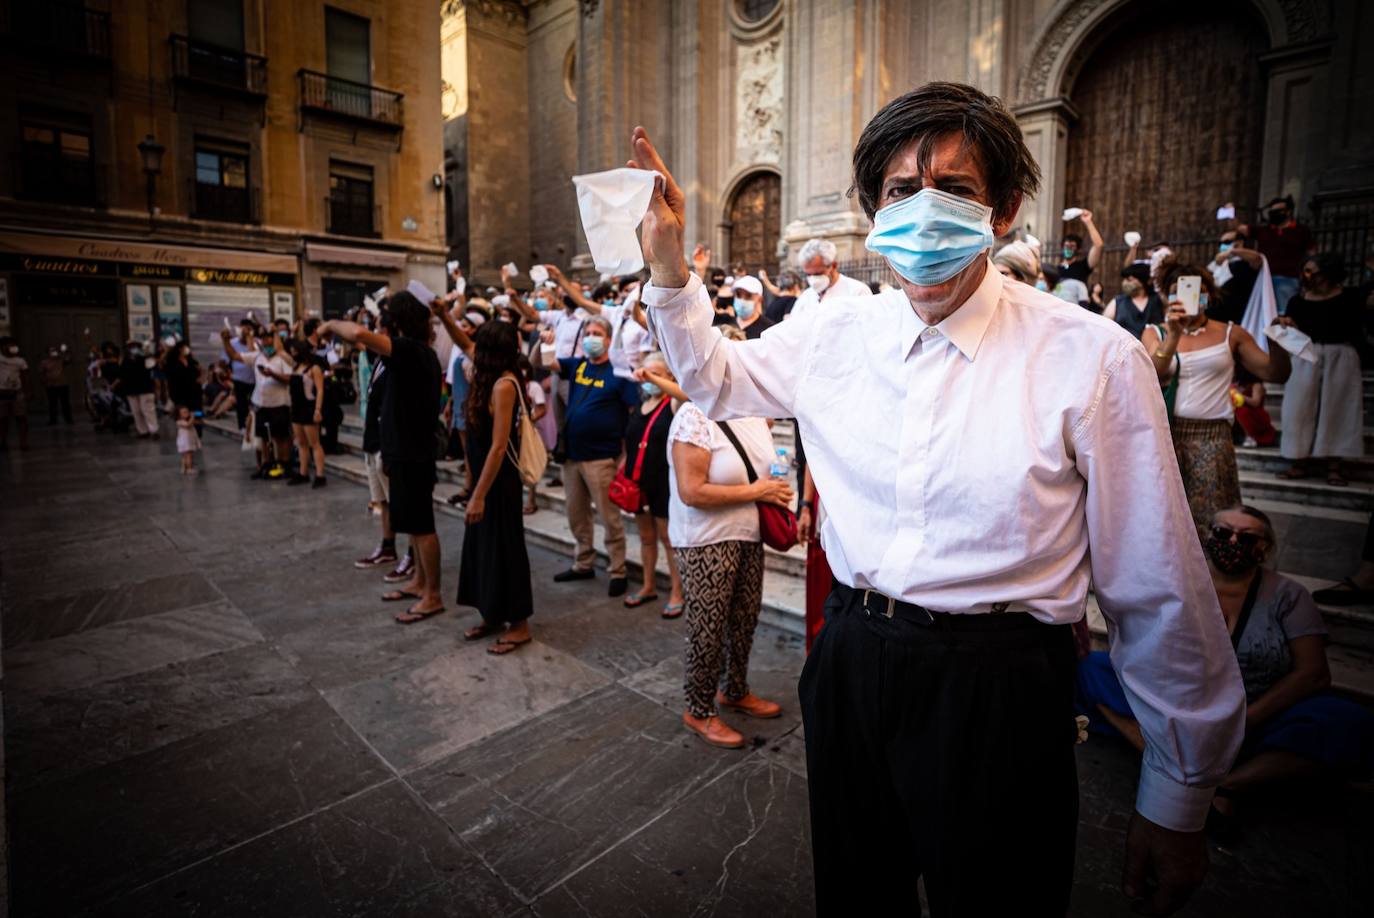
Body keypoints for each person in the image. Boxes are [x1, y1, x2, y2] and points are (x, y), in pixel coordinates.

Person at [631, 80, 1249, 917]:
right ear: (873, 210)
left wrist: (1177, 796)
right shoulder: (834, 333)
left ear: (1004, 211)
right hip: (851, 661)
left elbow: (1157, 583)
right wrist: (669, 268)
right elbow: (716, 376)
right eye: (898, 191)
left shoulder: (1092, 360)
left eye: (953, 189)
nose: (923, 211)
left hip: (999, 690)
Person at [1077, 505, 1374, 838]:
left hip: (1256, 715)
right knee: (1093, 670)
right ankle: (1170, 765)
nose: (1232, 541)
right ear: (1207, 537)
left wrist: (1243, 721)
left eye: (1246, 537)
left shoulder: (1288, 596)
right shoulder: (1177, 582)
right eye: (1223, 533)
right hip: (1176, 708)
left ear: (1264, 548)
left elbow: (1313, 674)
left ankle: (1227, 785)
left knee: (1345, 721)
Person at [668, 369, 793, 748]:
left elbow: (766, 468)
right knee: (708, 628)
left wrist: (775, 485)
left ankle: (734, 689)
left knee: (743, 619)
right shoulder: (694, 417)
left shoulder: (754, 416)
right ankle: (699, 709)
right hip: (706, 540)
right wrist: (758, 490)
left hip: (747, 534)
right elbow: (692, 491)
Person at [321, 294, 444, 623]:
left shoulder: (413, 351)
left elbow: (359, 336)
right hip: (400, 451)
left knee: (423, 525)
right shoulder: (407, 355)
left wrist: (330, 324)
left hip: (413, 453)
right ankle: (419, 582)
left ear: (398, 323)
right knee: (414, 526)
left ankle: (433, 594)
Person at [1142, 262, 1291, 530]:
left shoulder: (1231, 333)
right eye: (1177, 291)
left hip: (1213, 438)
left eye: (1194, 290)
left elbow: (1274, 373)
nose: (1185, 297)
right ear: (1167, 297)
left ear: (1207, 295)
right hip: (1166, 436)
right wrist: (1173, 336)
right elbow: (1150, 375)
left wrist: (1278, 345)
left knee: (1211, 518)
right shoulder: (1156, 332)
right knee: (1163, 518)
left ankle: (1211, 572)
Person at [430, 306, 536, 654]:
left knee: (505, 549)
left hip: (499, 483)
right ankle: (492, 613)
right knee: (484, 550)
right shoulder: (485, 367)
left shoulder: (504, 383)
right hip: (485, 480)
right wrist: (444, 316)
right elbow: (463, 342)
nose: (471, 342)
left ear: (489, 348)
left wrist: (477, 494)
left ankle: (518, 625)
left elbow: (498, 447)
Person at [542, 316, 641, 596]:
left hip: (602, 458)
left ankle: (618, 569)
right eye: (588, 333)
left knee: (609, 518)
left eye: (597, 333)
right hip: (572, 456)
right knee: (576, 514)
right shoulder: (578, 365)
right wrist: (546, 344)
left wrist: (626, 456)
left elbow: (634, 415)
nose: (591, 338)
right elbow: (547, 363)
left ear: (609, 340)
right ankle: (583, 561)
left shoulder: (619, 372)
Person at [1275, 252, 1368, 487]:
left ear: (1326, 273)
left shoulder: (1350, 297)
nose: (1305, 276)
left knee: (1337, 409)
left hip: (1340, 355)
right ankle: (1298, 459)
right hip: (1307, 354)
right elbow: (1295, 329)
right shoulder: (1298, 301)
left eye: (1310, 271)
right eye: (1304, 270)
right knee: (1298, 408)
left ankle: (1334, 464)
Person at [620, 352, 686, 616]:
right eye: (645, 373)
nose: (648, 380)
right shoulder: (641, 404)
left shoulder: (672, 404)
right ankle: (648, 586)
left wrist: (656, 381)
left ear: (669, 377)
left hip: (664, 483)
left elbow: (686, 395)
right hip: (639, 482)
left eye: (656, 374)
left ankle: (677, 592)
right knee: (647, 538)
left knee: (668, 539)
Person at [352, 319, 409, 578]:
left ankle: (412, 553)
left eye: (378, 329)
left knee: (399, 501)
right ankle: (388, 545)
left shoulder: (398, 362)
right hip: (373, 438)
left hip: (388, 441)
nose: (372, 334)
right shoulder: (377, 361)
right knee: (382, 501)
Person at [222, 327, 293, 479]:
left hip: (279, 404)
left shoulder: (283, 357)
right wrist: (226, 341)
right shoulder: (257, 356)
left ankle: (284, 465)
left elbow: (290, 379)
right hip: (261, 404)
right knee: (264, 437)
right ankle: (266, 465)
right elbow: (234, 355)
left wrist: (273, 374)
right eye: (263, 338)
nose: (266, 341)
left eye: (269, 338)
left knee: (281, 437)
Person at [1243, 195, 1314, 312]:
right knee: (1265, 312)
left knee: (1284, 312)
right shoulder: (1265, 231)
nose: (1274, 214)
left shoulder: (1300, 231)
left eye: (1278, 211)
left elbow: (1311, 254)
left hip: (1289, 279)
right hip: (1265, 279)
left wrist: (1307, 278)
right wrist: (1230, 214)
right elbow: (1242, 229)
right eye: (1272, 211)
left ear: (1288, 212)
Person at [789, 238, 873, 319]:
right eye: (808, 274)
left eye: (818, 273)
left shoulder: (857, 292)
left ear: (833, 266)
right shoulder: (805, 298)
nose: (813, 279)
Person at [286, 339, 327, 488]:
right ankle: (303, 473)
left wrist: (317, 410)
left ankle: (320, 475)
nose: (292, 353)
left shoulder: (314, 368)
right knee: (301, 443)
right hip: (296, 407)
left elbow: (320, 390)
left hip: (309, 407)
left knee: (314, 443)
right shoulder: (295, 367)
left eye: (294, 351)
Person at [518, 354, 553, 515]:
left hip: (530, 432)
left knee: (529, 464)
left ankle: (531, 499)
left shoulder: (533, 387)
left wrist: (528, 419)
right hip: (515, 432)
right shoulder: (512, 385)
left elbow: (542, 408)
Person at [1103, 263, 1165, 340]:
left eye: (1129, 280)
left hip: (1154, 348)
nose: (1125, 283)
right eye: (1124, 279)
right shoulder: (1118, 302)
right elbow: (1104, 327)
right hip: (1125, 349)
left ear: (1143, 280)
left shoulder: (1158, 300)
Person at [113, 340, 159, 439]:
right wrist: (114, 384)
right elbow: (121, 374)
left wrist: (148, 354)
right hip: (131, 389)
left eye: (134, 346)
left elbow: (151, 366)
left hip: (145, 387)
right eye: (130, 347)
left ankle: (153, 430)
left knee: (147, 409)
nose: (132, 349)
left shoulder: (144, 358)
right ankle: (142, 431)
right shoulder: (126, 360)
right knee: (136, 411)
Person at [1231, 366, 1278, 448]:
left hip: (1254, 415)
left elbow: (1256, 403)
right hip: (1238, 415)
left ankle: (1250, 437)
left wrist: (1240, 396)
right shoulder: (1236, 384)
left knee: (1241, 411)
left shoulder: (1257, 385)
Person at [226, 319, 258, 431]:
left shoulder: (256, 342)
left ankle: (253, 424)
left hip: (254, 378)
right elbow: (228, 358)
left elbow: (253, 355)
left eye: (248, 329)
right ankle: (242, 425)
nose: (245, 331)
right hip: (239, 378)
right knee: (241, 403)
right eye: (243, 328)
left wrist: (250, 338)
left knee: (254, 403)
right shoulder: (232, 343)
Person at [1058, 209, 1104, 285]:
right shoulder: (1056, 270)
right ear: (1062, 247)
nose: (1068, 248)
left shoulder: (1083, 266)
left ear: (1078, 249)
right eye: (1066, 246)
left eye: (1072, 246)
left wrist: (1088, 222)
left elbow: (1098, 245)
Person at [0, 337, 30, 450]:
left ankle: (23, 442)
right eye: (8, 345)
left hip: (17, 392)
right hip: (1, 393)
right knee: (2, 419)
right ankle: (3, 441)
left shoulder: (20, 361)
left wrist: (28, 391)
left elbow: (25, 375)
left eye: (13, 345)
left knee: (21, 417)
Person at [39, 344, 73, 424]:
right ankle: (53, 420)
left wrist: (65, 351)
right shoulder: (44, 362)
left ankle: (68, 419)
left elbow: (69, 359)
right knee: (52, 404)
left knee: (65, 403)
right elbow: (41, 373)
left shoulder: (61, 360)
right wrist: (44, 382)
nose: (53, 352)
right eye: (51, 350)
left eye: (55, 350)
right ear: (48, 352)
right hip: (51, 385)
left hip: (63, 385)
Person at [175, 405, 201, 475]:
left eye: (187, 412)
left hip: (188, 441)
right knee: (188, 455)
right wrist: (192, 417)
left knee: (185, 456)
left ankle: (184, 469)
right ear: (179, 415)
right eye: (184, 412)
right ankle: (189, 469)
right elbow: (188, 425)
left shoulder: (188, 420)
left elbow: (194, 423)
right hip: (185, 442)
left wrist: (198, 419)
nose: (187, 413)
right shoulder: (179, 422)